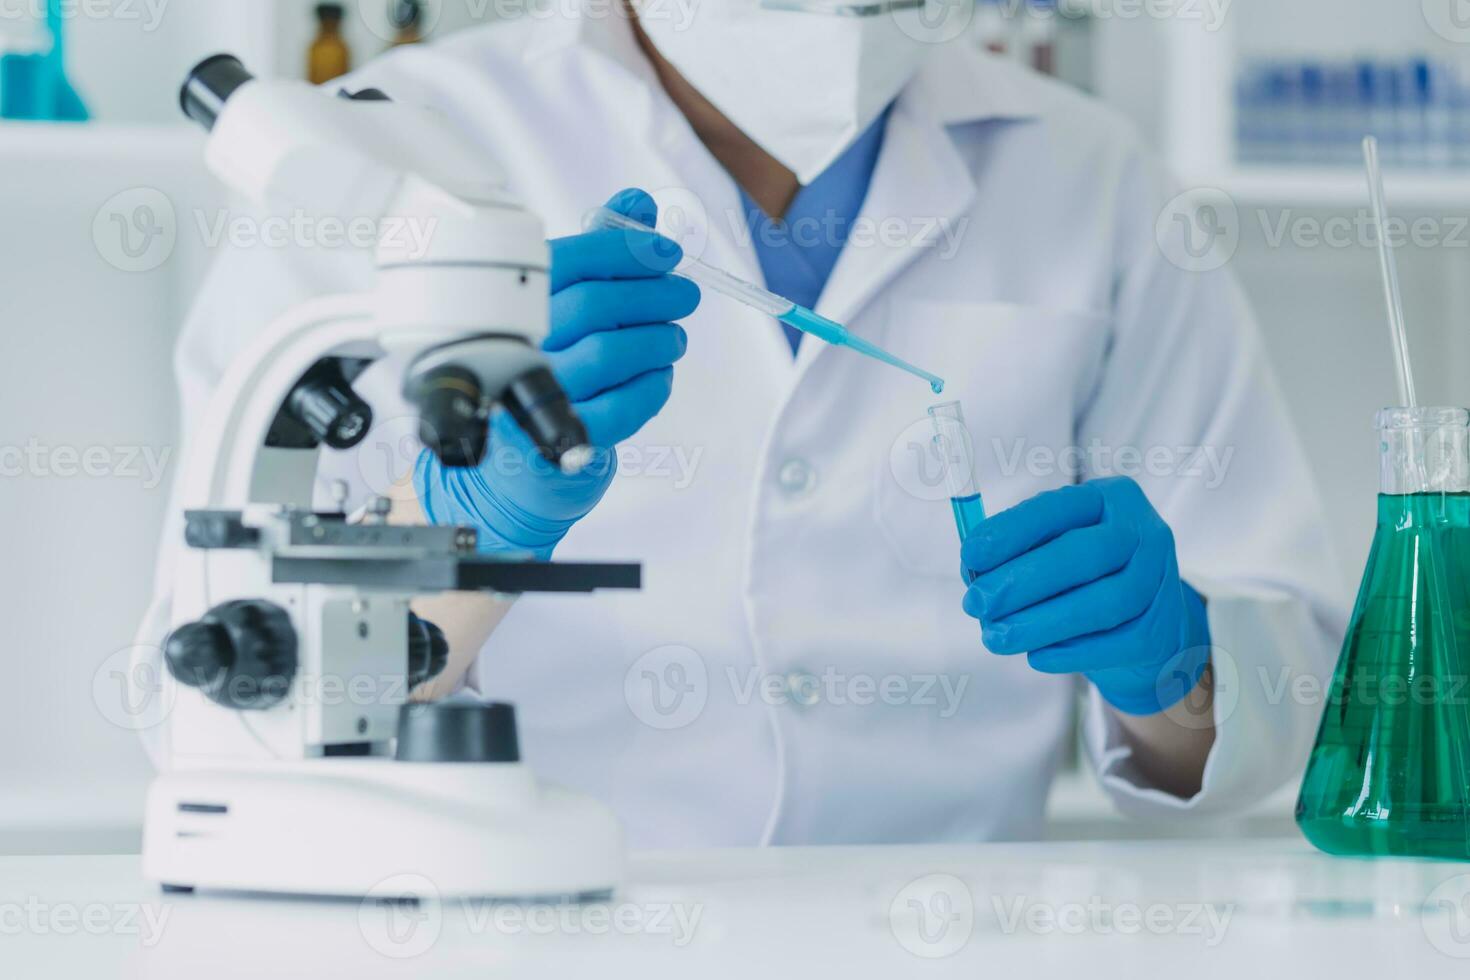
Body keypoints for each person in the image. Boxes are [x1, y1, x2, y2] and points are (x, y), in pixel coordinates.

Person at [145, 1, 1345, 847]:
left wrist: (1178, 666)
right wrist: (467, 526)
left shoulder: (1099, 179)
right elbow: (210, 704)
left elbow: (1267, 694)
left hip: (950, 939)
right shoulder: (387, 145)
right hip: (510, 927)